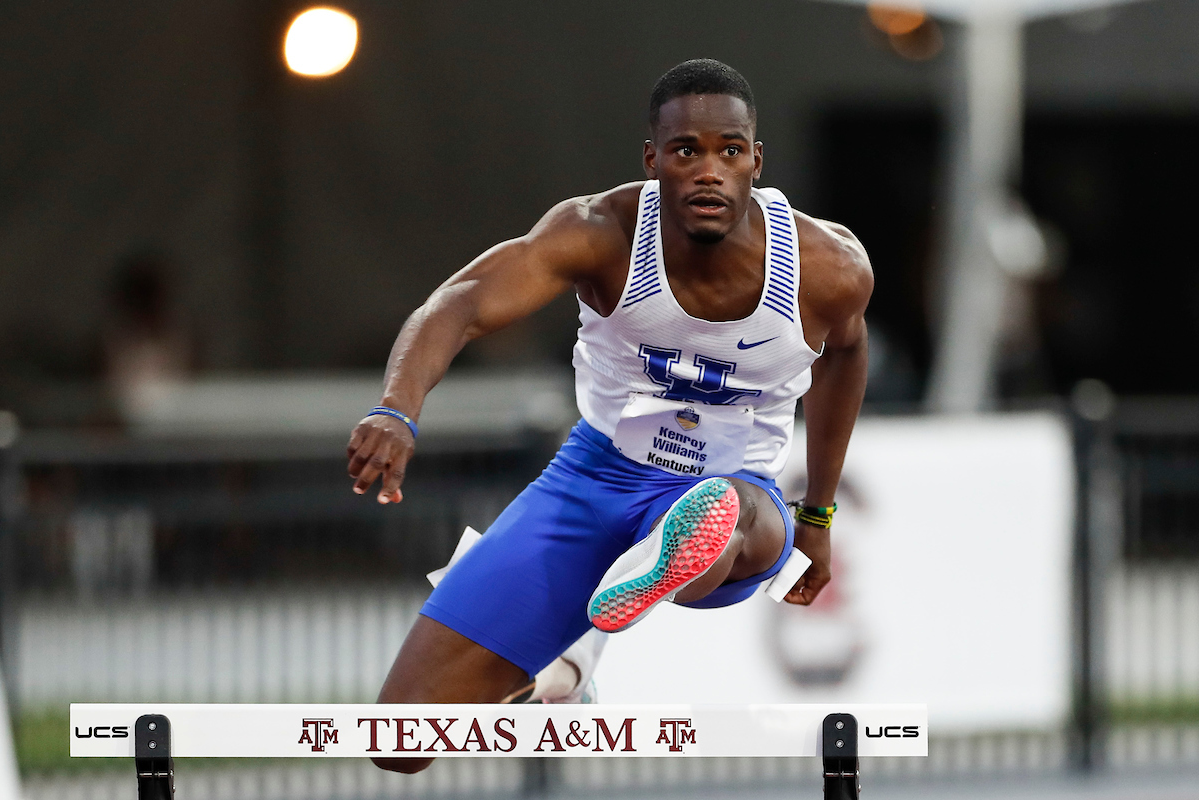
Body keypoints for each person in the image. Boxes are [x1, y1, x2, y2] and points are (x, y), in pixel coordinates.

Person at [346, 59, 873, 773]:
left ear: (756, 159)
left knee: (720, 512)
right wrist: (396, 411)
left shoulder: (827, 266)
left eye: (729, 150)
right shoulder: (598, 233)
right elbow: (461, 301)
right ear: (652, 161)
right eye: (687, 151)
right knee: (400, 744)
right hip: (591, 482)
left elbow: (843, 357)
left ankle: (652, 564)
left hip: (738, 494)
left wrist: (817, 517)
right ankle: (568, 659)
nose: (710, 171)